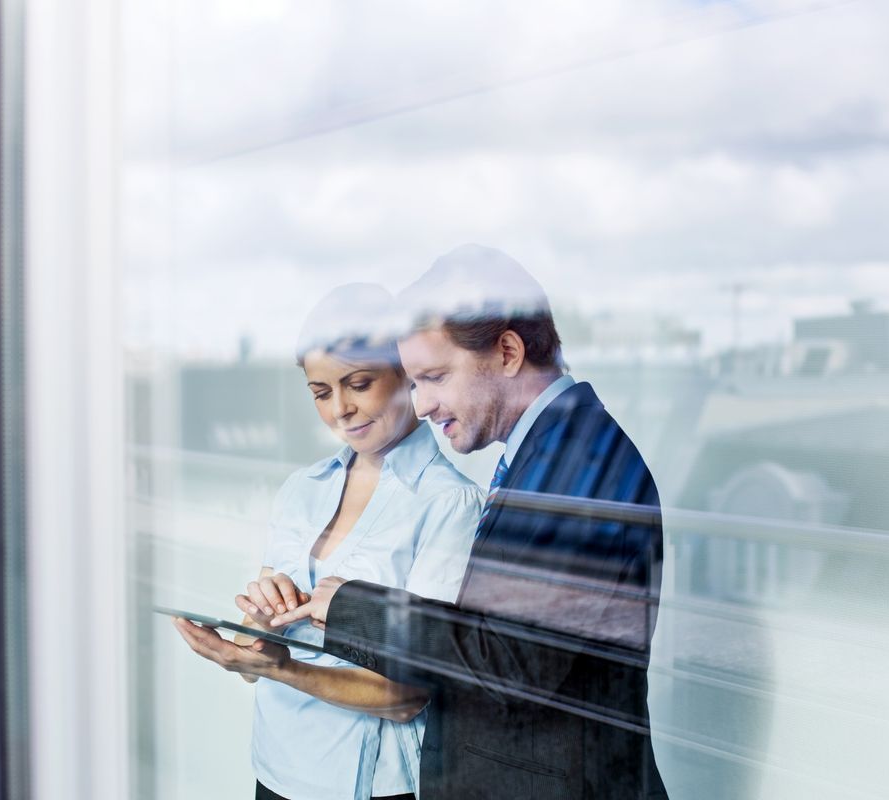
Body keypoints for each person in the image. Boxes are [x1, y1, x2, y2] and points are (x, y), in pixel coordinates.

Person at [271, 245, 668, 799]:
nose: (425, 405)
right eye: (415, 383)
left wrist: (351, 606)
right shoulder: (549, 454)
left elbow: (511, 659)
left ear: (507, 351)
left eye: (434, 377)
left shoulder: (581, 462)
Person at [173, 283, 483, 800]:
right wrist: (256, 629)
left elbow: (410, 694)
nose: (340, 409)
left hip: (366, 787)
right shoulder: (302, 490)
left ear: (406, 372)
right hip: (274, 768)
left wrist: (284, 668)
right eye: (321, 393)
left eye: (358, 384)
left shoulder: (448, 505)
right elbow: (260, 655)